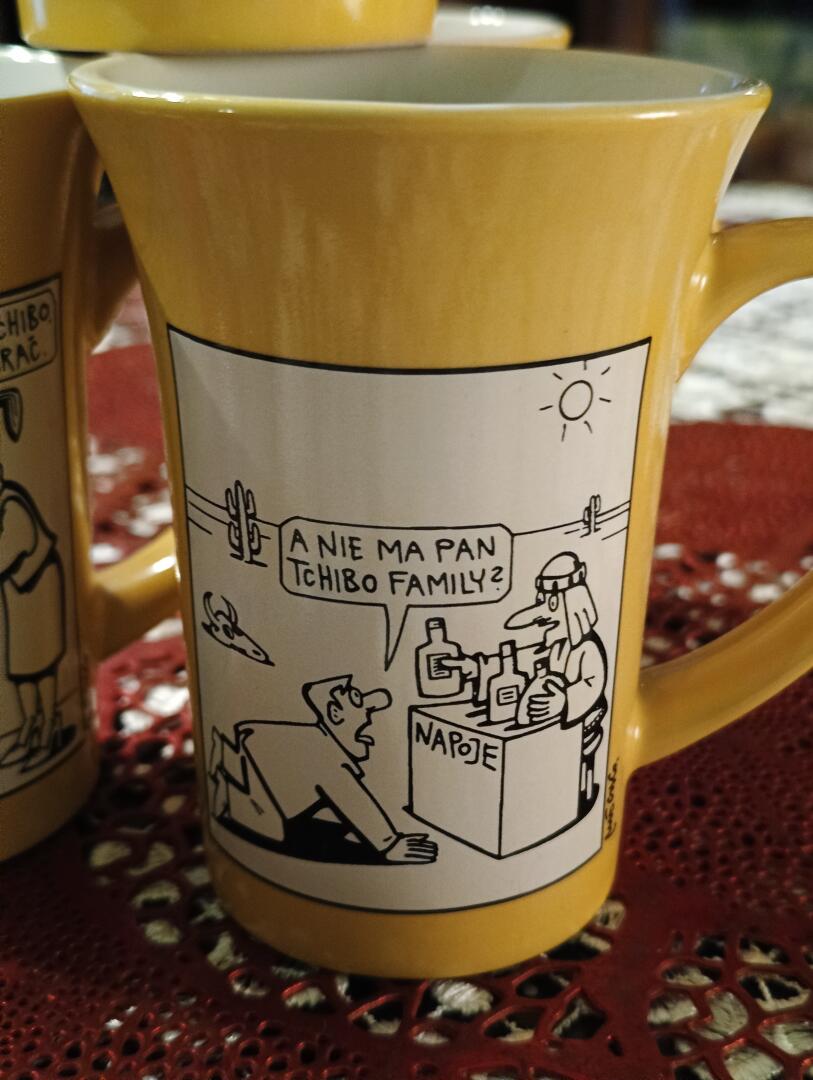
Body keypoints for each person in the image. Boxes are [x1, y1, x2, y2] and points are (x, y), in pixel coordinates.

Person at [209, 674, 438, 865]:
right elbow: (350, 797)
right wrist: (389, 843)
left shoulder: (301, 740)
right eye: (357, 701)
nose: (371, 711)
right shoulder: (321, 751)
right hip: (256, 823)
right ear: (335, 713)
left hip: (242, 804)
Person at [442, 551, 607, 812]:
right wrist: (476, 666)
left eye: (551, 603)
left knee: (570, 775)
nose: (542, 614)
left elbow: (592, 684)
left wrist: (564, 702)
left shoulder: (587, 649)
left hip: (582, 727)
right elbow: (518, 659)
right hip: (550, 730)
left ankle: (569, 803)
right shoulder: (554, 645)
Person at [0, 388, 68, 771]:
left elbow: (7, 554)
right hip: (18, 589)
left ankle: (48, 723)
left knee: (40, 662)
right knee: (20, 668)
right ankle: (30, 726)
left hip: (38, 584)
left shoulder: (11, 503)